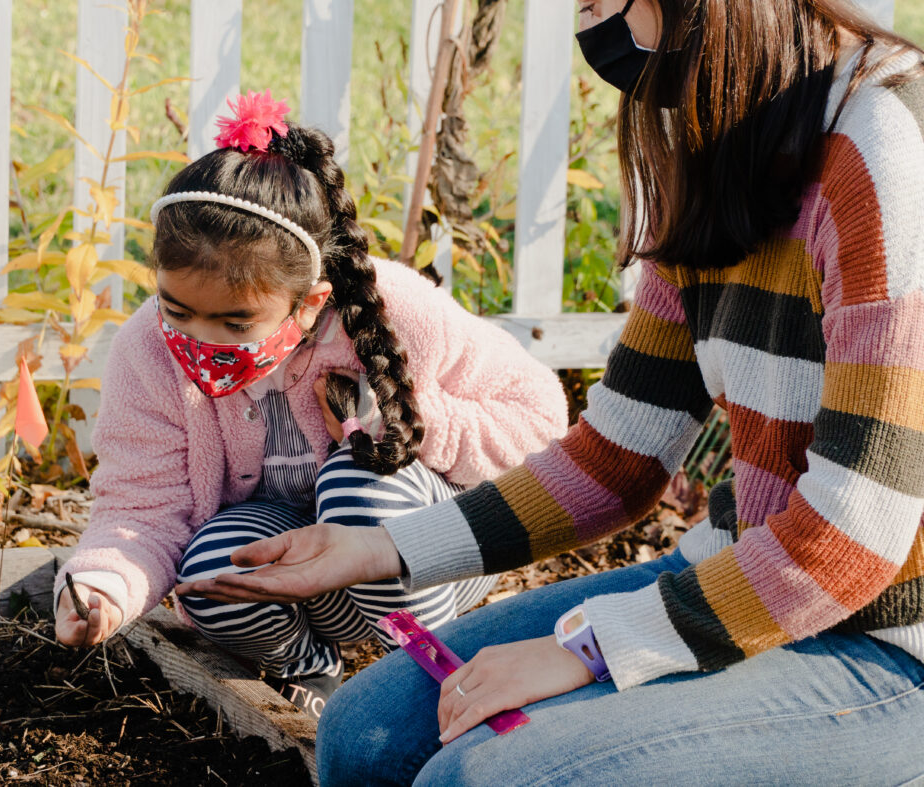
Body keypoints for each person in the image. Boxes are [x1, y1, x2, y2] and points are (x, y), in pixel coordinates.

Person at [176, 0, 924, 782]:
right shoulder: (719, 138)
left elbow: (854, 535)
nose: (587, 23)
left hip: (889, 640)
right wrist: (377, 547)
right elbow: (617, 458)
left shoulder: (883, 144)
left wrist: (588, 646)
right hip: (746, 577)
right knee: (364, 738)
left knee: (488, 776)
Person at [52, 91, 569, 719]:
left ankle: (427, 665)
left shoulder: (396, 311)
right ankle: (307, 667)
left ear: (307, 302)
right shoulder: (148, 350)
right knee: (213, 566)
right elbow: (141, 507)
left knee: (358, 483)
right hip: (298, 568)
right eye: (178, 310)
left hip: (424, 559)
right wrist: (104, 587)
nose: (201, 340)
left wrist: (409, 420)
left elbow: (540, 416)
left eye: (236, 321)